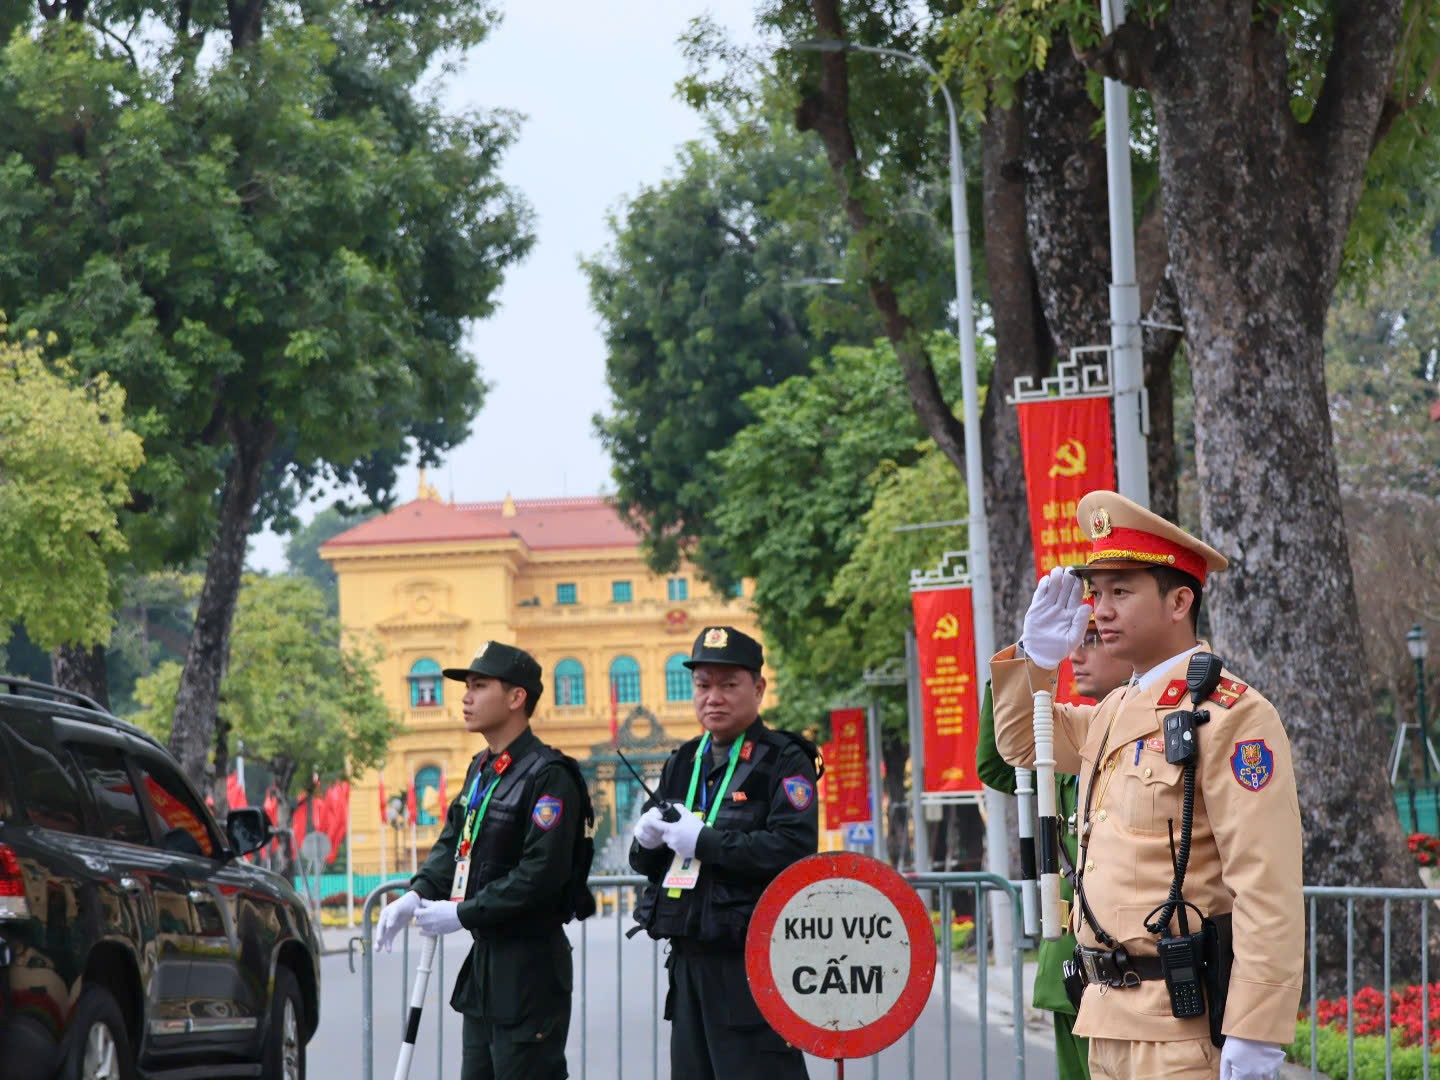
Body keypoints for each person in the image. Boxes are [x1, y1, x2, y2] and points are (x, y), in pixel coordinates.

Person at [989, 491, 1302, 1080]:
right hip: (1105, 1016)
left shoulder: (1232, 714)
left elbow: (1266, 882)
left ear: (1180, 600)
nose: (1098, 611)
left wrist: (1256, 1028)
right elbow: (1021, 745)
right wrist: (1033, 658)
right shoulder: (1113, 711)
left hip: (1181, 1028)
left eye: (1121, 591)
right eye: (1095, 592)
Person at [376, 641, 595, 1080]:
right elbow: (453, 841)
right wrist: (415, 893)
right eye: (467, 686)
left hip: (529, 967)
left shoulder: (549, 775)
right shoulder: (483, 768)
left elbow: (540, 874)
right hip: (485, 967)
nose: (466, 696)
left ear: (517, 698)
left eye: (479, 685)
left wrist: (461, 912)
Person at [629, 625, 819, 1080]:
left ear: (757, 688)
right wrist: (646, 842)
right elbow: (651, 865)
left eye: (728, 684)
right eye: (702, 685)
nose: (713, 696)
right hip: (689, 958)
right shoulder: (684, 761)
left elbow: (792, 846)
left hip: (751, 959)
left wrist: (706, 843)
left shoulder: (784, 760)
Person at [976, 612, 1132, 1080]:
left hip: (1132, 956)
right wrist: (1024, 663)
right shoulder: (1066, 743)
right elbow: (999, 763)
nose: (1077, 655)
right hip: (1070, 957)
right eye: (1076, 641)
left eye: (1094, 639)